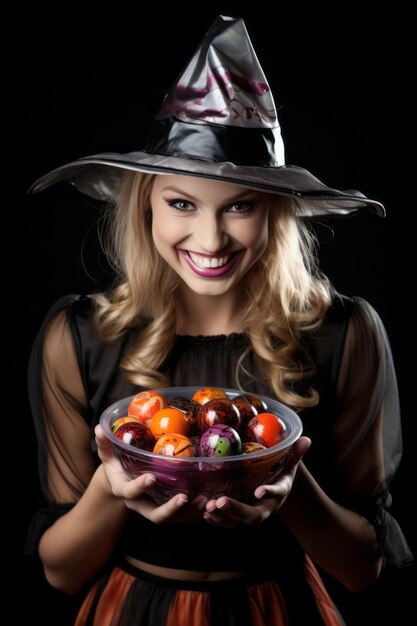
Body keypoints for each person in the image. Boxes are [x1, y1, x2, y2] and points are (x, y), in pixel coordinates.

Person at [24, 14, 413, 626]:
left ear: (276, 214)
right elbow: (60, 570)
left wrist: (289, 487)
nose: (210, 237)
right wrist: (111, 488)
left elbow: (364, 570)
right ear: (145, 207)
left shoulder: (345, 334)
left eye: (240, 206)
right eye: (181, 203)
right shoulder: (79, 337)